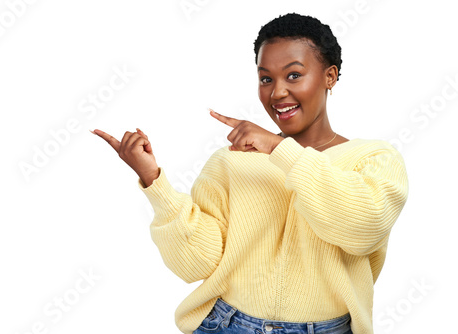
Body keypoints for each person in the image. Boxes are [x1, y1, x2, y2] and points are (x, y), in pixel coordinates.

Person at [91, 12, 409, 334]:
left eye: (294, 75)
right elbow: (199, 263)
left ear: (330, 76)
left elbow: (362, 228)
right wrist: (154, 181)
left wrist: (278, 148)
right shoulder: (233, 161)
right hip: (228, 324)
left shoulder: (373, 159)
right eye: (266, 78)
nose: (277, 93)